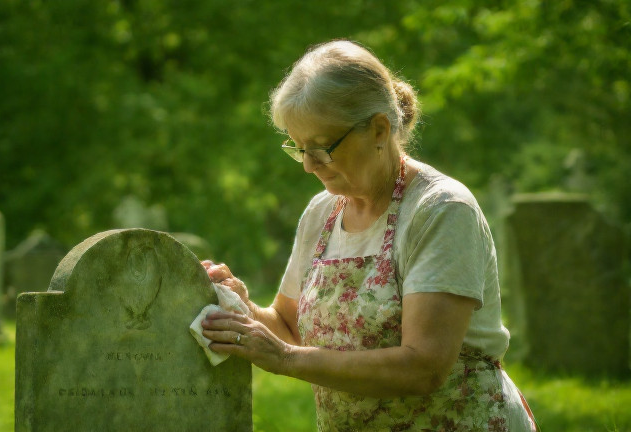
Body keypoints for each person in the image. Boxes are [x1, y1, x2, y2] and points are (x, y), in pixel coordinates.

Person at [201, 39, 538, 431]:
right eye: (298, 148)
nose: (309, 165)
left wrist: (283, 359)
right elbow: (289, 330)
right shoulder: (322, 212)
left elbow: (423, 367)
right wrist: (242, 309)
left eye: (323, 148)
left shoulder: (441, 210)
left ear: (379, 129)